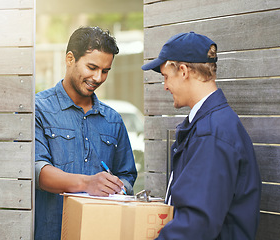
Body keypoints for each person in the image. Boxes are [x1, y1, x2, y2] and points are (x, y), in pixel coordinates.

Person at [142, 32, 261, 239]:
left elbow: (196, 226)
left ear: (183, 71)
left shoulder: (212, 133)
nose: (165, 86)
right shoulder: (207, 125)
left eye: (166, 76)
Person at [34, 26, 137, 240]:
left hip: (101, 233)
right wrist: (88, 183)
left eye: (105, 70)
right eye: (92, 67)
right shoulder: (38, 109)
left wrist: (117, 187)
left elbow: (127, 176)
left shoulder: (113, 120)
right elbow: (38, 172)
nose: (98, 77)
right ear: (70, 59)